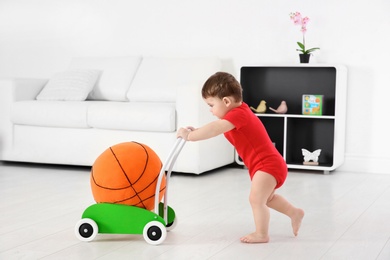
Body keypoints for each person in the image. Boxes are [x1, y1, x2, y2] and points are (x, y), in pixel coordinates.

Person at [177, 72, 304, 243]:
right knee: (268, 199)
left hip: (267, 165)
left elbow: (215, 128)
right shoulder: (238, 113)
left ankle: (261, 234)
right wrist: (197, 131)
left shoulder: (238, 114)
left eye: (211, 105)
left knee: (256, 200)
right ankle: (294, 212)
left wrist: (190, 136)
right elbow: (218, 127)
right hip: (265, 164)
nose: (211, 110)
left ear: (226, 101)